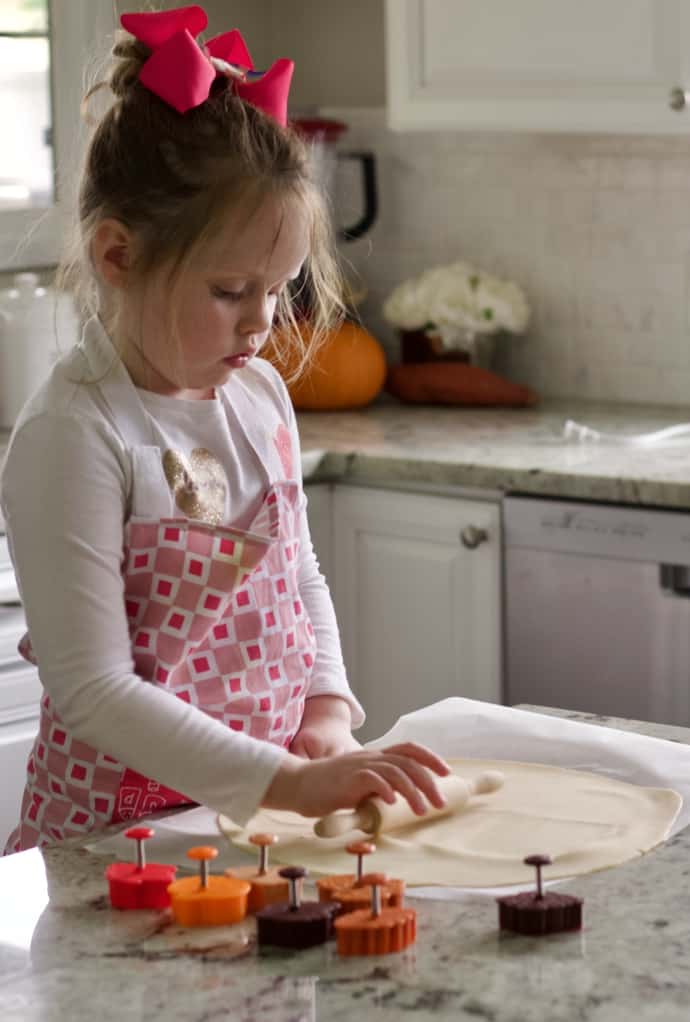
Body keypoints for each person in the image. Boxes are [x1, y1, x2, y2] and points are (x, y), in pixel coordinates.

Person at [2, 5, 449, 854]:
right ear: (118, 257)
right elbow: (93, 690)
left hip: (253, 829)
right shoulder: (76, 433)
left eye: (277, 288)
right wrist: (286, 783)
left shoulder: (258, 397)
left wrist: (325, 710)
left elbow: (296, 575)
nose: (261, 324)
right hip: (117, 852)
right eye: (229, 290)